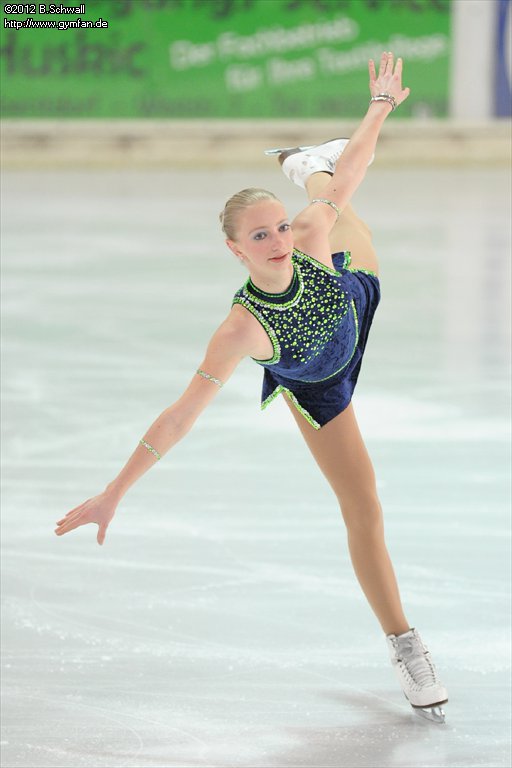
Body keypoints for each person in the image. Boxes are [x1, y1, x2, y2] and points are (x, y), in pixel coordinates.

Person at [55, 52, 447, 723]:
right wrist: (114, 491)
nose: (276, 241)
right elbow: (180, 417)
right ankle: (405, 644)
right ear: (235, 249)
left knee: (342, 206)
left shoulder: (309, 235)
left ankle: (307, 164)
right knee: (365, 507)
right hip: (318, 387)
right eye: (260, 235)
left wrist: (379, 107)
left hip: (352, 301)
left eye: (279, 227)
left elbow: (353, 170)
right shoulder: (240, 329)